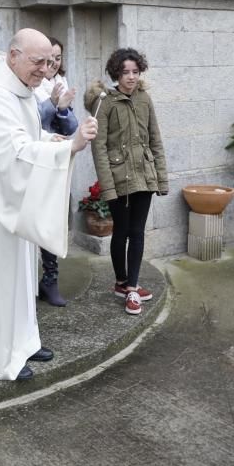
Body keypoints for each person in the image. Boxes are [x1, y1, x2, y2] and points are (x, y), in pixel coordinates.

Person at [0, 28, 97, 381]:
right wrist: (69, 147)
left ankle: (22, 343)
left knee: (20, 280)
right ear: (13, 55)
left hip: (11, 202)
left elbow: (26, 136)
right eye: (38, 62)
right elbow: (11, 152)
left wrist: (51, 138)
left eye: (50, 62)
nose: (46, 70)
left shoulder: (22, 88)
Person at [84, 47, 168, 316]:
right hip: (118, 179)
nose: (131, 77)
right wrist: (107, 187)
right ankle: (121, 282)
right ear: (115, 74)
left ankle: (132, 287)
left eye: (135, 72)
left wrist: (161, 179)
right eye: (125, 72)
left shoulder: (144, 99)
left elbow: (155, 140)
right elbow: (99, 148)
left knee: (138, 232)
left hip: (144, 176)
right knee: (121, 231)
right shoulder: (105, 102)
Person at [32, 37, 78, 306]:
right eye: (48, 59)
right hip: (36, 160)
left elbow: (71, 125)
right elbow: (31, 121)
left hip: (58, 159)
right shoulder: (30, 85)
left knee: (52, 220)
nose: (53, 64)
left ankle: (50, 280)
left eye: (57, 58)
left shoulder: (58, 83)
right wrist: (51, 103)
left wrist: (62, 107)